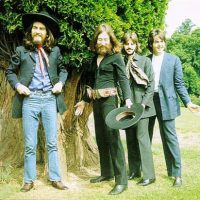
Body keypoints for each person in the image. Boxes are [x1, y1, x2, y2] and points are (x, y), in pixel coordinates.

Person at [6, 11, 68, 192]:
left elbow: (63, 70)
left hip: (49, 99)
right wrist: (18, 86)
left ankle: (56, 178)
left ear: (47, 33)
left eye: (42, 29)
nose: (38, 31)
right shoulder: (21, 51)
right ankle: (28, 180)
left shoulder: (55, 52)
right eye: (35, 28)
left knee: (52, 142)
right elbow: (10, 71)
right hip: (30, 100)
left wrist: (60, 83)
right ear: (30, 31)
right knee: (30, 143)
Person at [74, 23, 132, 195]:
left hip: (110, 102)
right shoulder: (93, 60)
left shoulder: (116, 57)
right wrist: (84, 101)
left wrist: (128, 99)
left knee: (113, 137)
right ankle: (106, 173)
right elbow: (90, 85)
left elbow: (123, 79)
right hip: (97, 103)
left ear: (110, 40)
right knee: (100, 137)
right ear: (96, 41)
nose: (102, 41)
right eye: (100, 39)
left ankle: (122, 181)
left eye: (105, 39)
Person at [148, 28, 200, 187]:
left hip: (167, 103)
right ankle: (142, 171)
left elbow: (179, 84)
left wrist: (188, 102)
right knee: (145, 138)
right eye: (156, 41)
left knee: (170, 139)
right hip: (149, 102)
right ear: (151, 43)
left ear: (165, 42)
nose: (159, 44)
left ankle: (176, 174)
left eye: (162, 41)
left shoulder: (173, 59)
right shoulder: (145, 59)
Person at [121, 32, 155, 186]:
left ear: (136, 45)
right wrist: (124, 100)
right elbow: (120, 84)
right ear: (123, 45)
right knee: (131, 139)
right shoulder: (120, 61)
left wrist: (143, 103)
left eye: (132, 44)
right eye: (126, 43)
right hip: (128, 107)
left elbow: (151, 84)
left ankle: (149, 175)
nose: (129, 46)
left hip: (143, 107)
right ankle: (135, 171)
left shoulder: (145, 61)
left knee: (143, 139)